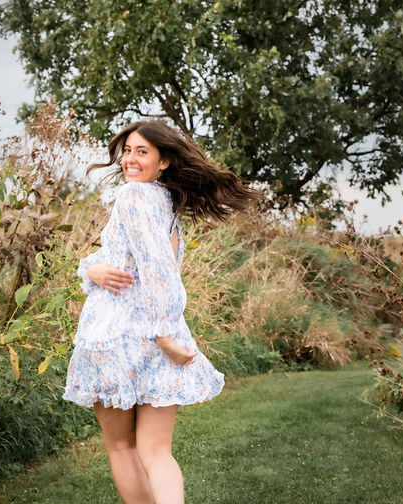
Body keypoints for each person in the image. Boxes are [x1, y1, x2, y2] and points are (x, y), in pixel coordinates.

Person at [63, 120, 258, 503]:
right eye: (128, 151)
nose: (130, 160)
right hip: (150, 329)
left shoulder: (133, 196)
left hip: (117, 332)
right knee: (157, 452)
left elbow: (158, 270)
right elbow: (134, 264)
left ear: (164, 161)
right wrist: (90, 268)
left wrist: (164, 333)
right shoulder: (163, 203)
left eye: (142, 152)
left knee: (122, 448)